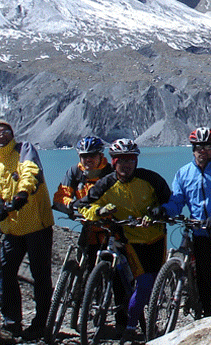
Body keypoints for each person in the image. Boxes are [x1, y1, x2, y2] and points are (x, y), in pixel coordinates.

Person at [76, 138, 171, 342]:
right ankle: (130, 327)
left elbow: (170, 201)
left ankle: (152, 318)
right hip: (129, 240)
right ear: (113, 162)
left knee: (154, 285)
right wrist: (99, 211)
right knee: (143, 283)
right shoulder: (106, 184)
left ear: (136, 161)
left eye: (131, 160)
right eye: (121, 160)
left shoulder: (151, 179)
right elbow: (83, 206)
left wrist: (159, 212)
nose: (126, 164)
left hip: (155, 237)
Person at [0, 120, 55, 340]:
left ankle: (40, 324)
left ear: (12, 133)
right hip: (12, 227)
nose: (1, 136)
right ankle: (12, 323)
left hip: (37, 224)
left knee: (40, 276)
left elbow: (30, 172)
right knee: (5, 273)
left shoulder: (24, 149)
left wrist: (22, 194)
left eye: (5, 131)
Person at [158, 127, 211, 326]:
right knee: (207, 285)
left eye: (207, 146)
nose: (202, 150)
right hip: (201, 236)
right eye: (198, 147)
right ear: (193, 148)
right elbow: (177, 201)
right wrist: (164, 210)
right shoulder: (183, 174)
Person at [53, 136, 114, 265]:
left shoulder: (111, 173)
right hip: (88, 229)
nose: (88, 159)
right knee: (84, 267)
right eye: (84, 156)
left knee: (115, 272)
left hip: (112, 230)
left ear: (100, 155)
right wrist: (71, 205)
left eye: (92, 155)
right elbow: (60, 196)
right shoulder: (75, 172)